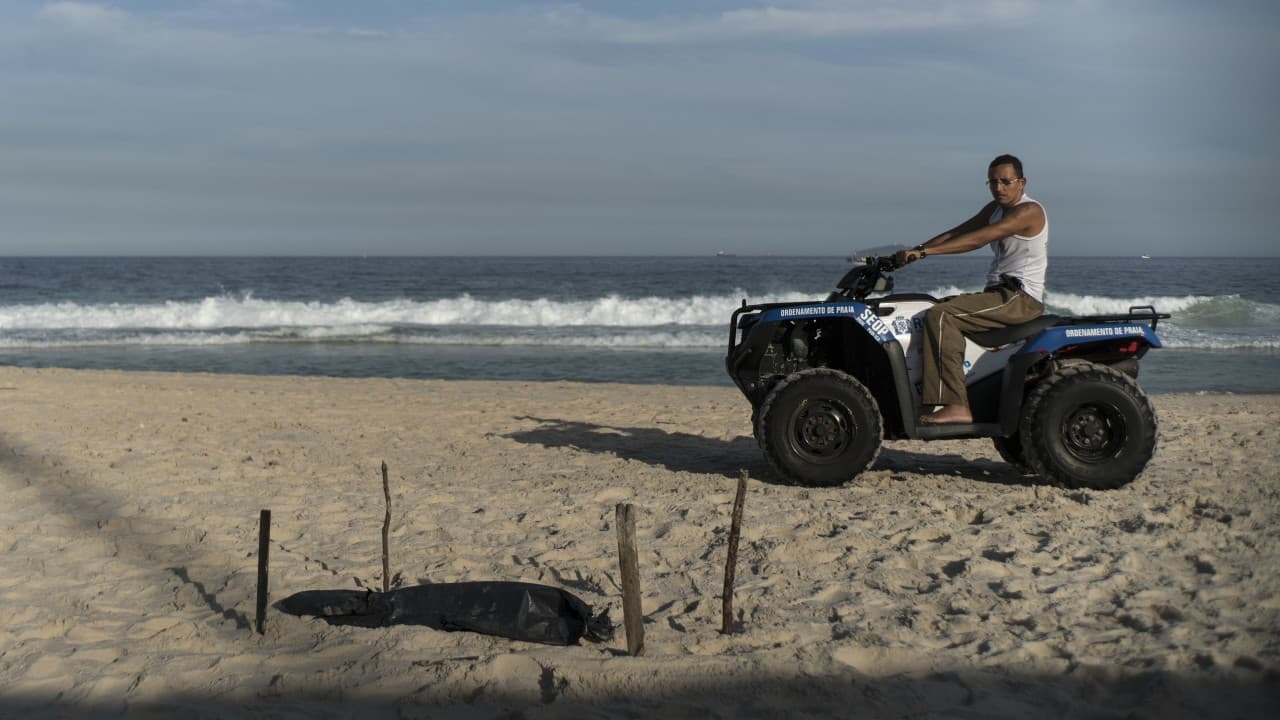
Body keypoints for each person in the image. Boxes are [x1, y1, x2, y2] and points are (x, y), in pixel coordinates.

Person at [893, 154, 1048, 425]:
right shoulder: (994, 209)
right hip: (997, 293)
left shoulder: (1029, 211)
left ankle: (955, 405)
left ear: (1021, 183)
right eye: (992, 182)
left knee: (942, 316)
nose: (998, 188)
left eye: (1005, 181)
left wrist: (924, 252)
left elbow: (978, 239)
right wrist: (915, 251)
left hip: (1019, 298)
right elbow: (958, 233)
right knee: (927, 309)